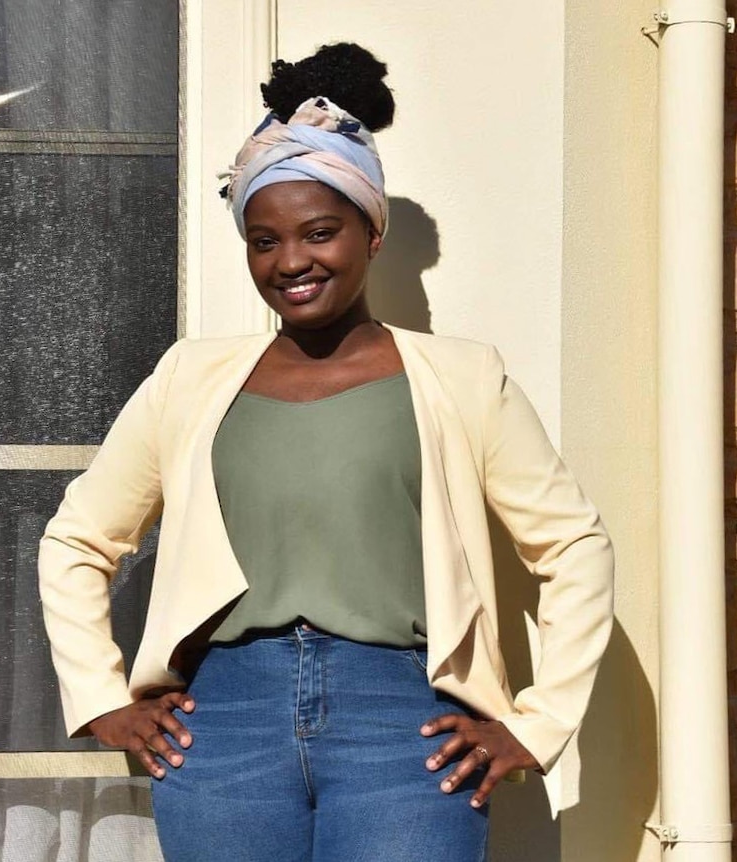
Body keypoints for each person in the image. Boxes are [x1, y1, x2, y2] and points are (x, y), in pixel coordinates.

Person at [39, 42, 614, 862]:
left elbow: (573, 545)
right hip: (223, 722)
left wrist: (539, 721)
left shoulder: (461, 376)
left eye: (319, 232)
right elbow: (78, 538)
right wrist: (100, 697)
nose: (291, 261)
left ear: (371, 231)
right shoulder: (190, 379)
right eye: (264, 240)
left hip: (404, 723)